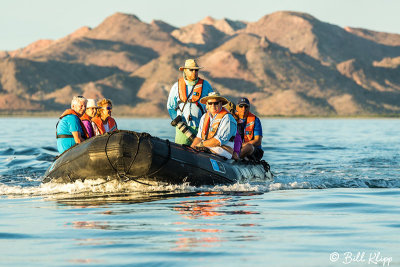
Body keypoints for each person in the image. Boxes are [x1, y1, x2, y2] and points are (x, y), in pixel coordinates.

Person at [167, 59, 214, 145]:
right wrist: (177, 122)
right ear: (185, 70)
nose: (194, 72)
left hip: (201, 128)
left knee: (200, 154)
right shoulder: (176, 86)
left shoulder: (206, 85)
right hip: (182, 128)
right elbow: (170, 107)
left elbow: (213, 104)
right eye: (191, 70)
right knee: (181, 152)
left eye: (196, 70)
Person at [191, 92, 237, 159]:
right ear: (207, 104)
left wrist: (200, 145)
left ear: (220, 104)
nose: (213, 105)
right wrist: (192, 148)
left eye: (216, 103)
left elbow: (218, 141)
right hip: (206, 147)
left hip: (224, 150)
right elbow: (199, 137)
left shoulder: (227, 118)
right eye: (210, 103)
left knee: (202, 152)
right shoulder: (204, 117)